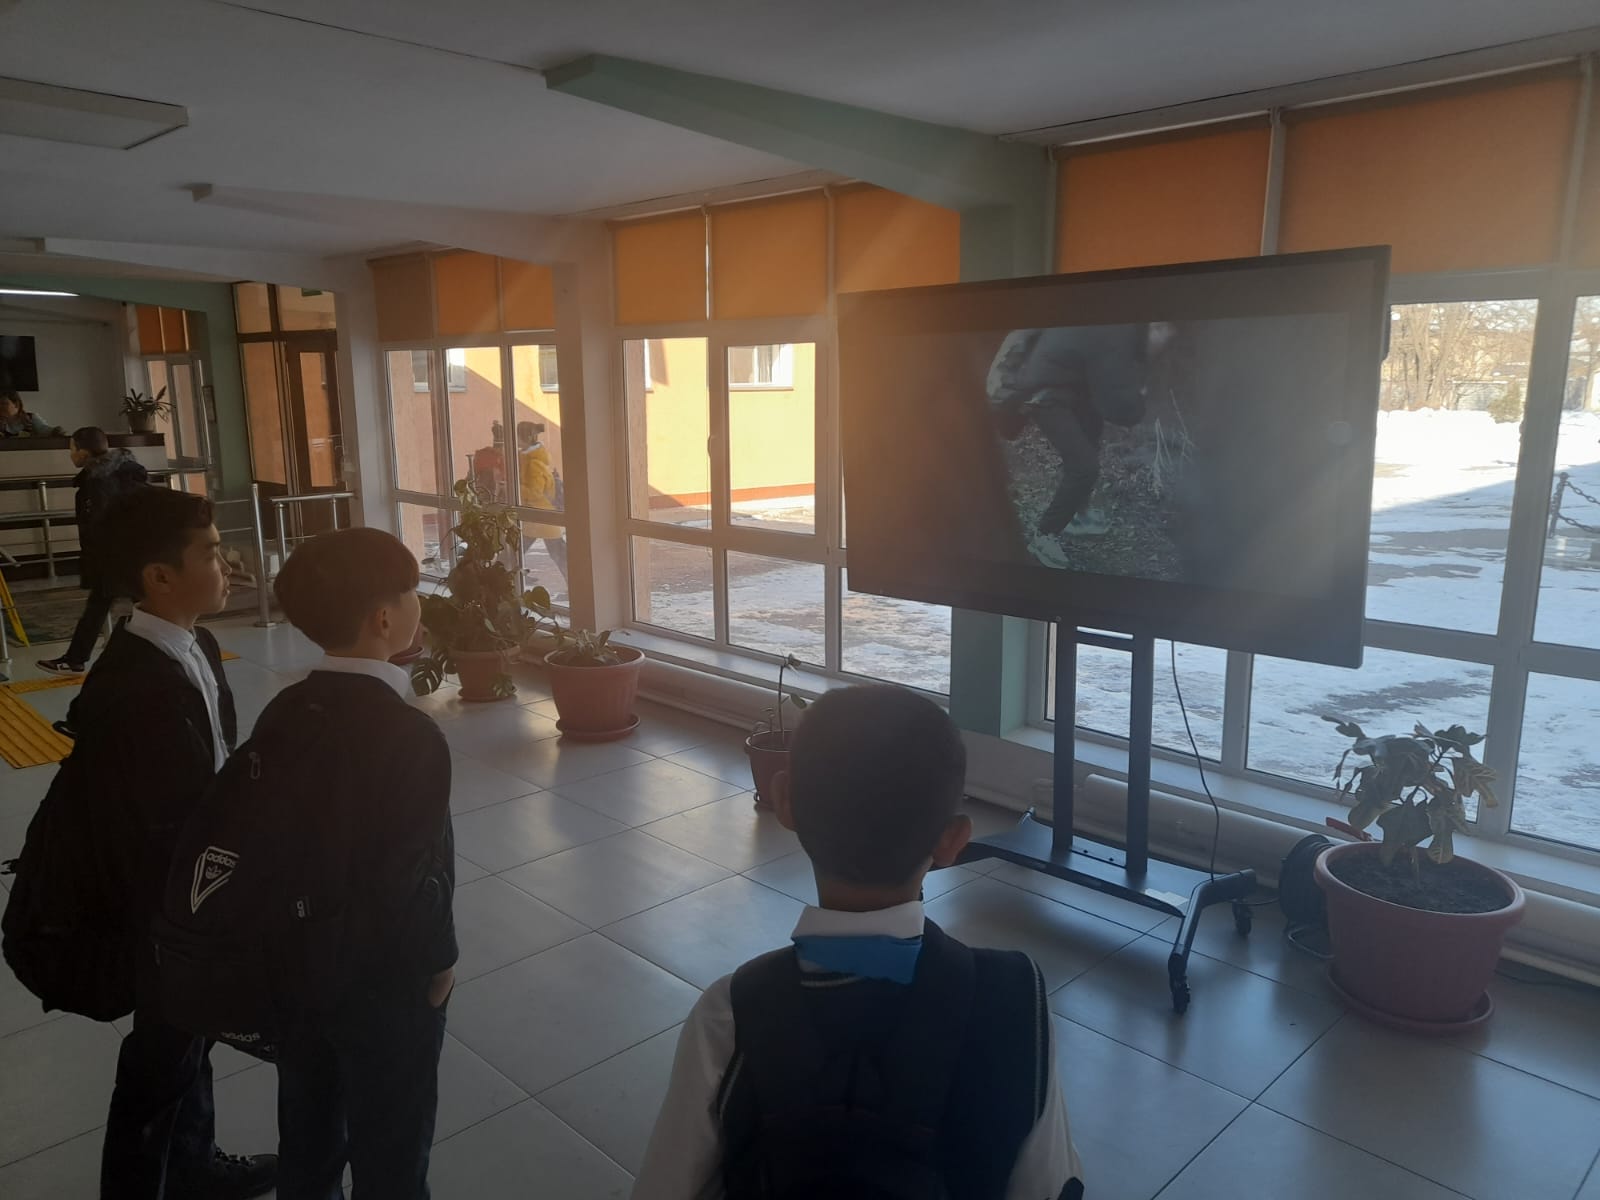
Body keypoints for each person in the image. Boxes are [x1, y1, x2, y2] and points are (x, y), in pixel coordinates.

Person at [633, 685, 1085, 1200]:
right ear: (953, 840)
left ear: (784, 801)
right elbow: (1051, 1189)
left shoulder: (732, 1014)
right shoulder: (1015, 1000)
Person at [66, 487, 275, 1198]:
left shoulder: (195, 644)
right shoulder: (130, 689)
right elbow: (142, 828)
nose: (228, 565)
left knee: (187, 1040)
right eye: (211, 554)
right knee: (159, 1062)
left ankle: (194, 1166)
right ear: (159, 576)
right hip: (163, 908)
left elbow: (216, 763)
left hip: (193, 894)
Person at [267, 528, 457, 1200]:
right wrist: (440, 959)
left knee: (308, 1131)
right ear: (383, 619)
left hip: (298, 964)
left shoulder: (284, 711)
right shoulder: (409, 735)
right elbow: (412, 872)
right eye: (411, 591)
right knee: (392, 1143)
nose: (419, 603)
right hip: (385, 982)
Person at [987, 323, 1172, 568]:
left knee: (1091, 430)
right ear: (1156, 328)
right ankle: (1044, 536)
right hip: (1044, 395)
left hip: (1067, 390)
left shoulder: (1122, 331)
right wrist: (1137, 403)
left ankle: (1078, 516)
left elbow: (1103, 387)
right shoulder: (1119, 333)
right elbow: (1117, 403)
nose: (1163, 347)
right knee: (1084, 467)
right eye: (1166, 336)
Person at [38, 426, 150, 674]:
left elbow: (100, 523)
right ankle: (76, 658)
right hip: (131, 552)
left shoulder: (99, 481)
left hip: (113, 556)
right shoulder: (123, 472)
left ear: (84, 452)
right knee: (131, 604)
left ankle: (77, 659)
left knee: (120, 605)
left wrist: (95, 557)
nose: (70, 454)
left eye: (72, 448)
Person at [516, 419, 569, 583]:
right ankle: (514, 579)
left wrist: (515, 487)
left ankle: (577, 584)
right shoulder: (527, 458)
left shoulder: (534, 463)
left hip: (540, 516)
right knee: (558, 553)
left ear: (525, 438)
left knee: (515, 551)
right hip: (536, 517)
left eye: (517, 436)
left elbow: (535, 493)